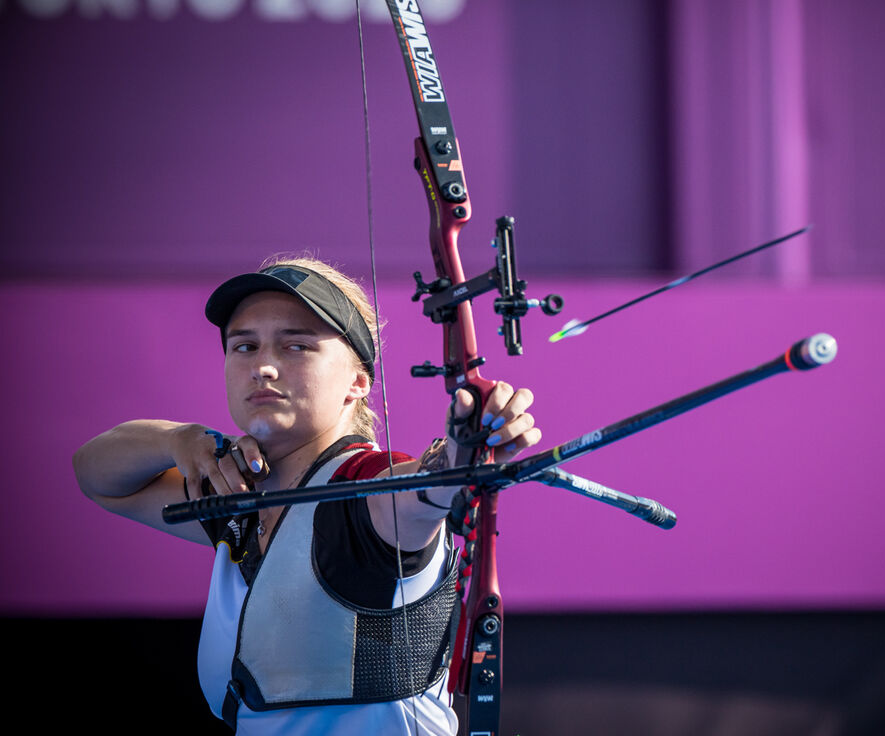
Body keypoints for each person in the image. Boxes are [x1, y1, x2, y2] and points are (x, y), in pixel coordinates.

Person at [73, 256, 540, 735]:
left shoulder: (366, 486)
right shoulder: (239, 493)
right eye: (245, 346)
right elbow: (97, 476)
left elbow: (426, 489)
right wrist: (176, 439)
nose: (264, 368)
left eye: (296, 346)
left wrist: (465, 446)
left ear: (358, 382)